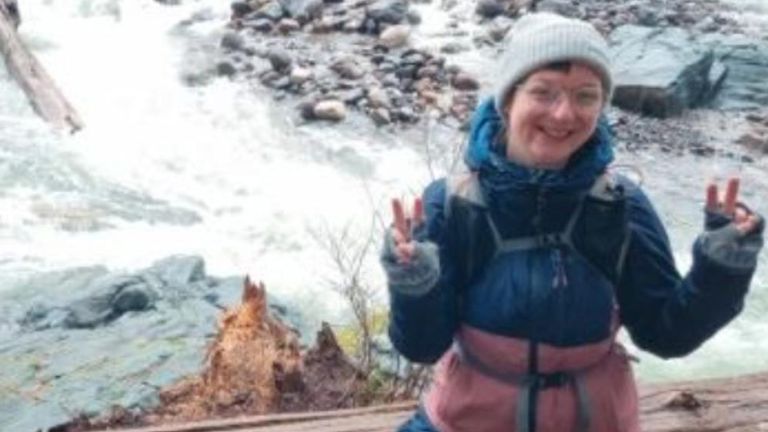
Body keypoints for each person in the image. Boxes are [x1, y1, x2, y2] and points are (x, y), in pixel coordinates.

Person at [379, 12, 764, 432]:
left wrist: (721, 270)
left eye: (586, 96)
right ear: (508, 99)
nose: (564, 114)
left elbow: (666, 335)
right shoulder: (454, 204)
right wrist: (413, 285)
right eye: (544, 92)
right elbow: (421, 346)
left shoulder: (620, 206)